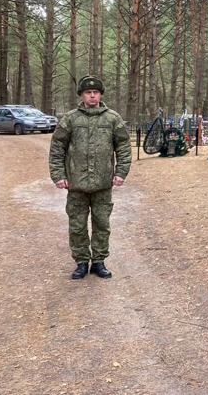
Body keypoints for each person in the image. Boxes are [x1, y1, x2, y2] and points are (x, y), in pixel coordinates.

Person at [49, 76, 132, 280]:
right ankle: (81, 262)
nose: (92, 95)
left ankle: (99, 262)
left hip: (103, 183)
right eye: (88, 92)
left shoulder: (112, 118)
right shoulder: (70, 119)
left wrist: (121, 172)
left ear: (100, 94)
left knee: (102, 224)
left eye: (95, 92)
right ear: (81, 95)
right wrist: (58, 175)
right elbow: (57, 148)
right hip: (76, 184)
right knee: (77, 226)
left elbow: (123, 146)